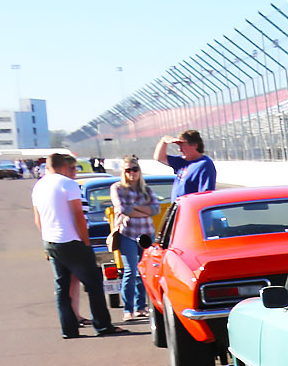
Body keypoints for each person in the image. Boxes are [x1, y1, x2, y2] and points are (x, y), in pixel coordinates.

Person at [30, 152, 119, 339]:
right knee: (93, 284)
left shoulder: (38, 186)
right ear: (63, 166)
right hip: (71, 241)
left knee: (62, 288)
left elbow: (38, 219)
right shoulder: (68, 184)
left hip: (51, 241)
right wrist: (86, 242)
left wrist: (46, 240)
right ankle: (102, 325)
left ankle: (69, 329)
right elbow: (78, 215)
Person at [109, 157, 157, 322]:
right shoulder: (117, 188)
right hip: (127, 233)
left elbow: (156, 209)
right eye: (128, 170)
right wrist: (144, 210)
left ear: (139, 170)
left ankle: (141, 307)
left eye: (134, 169)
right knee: (130, 271)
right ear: (123, 172)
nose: (132, 173)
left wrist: (134, 208)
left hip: (146, 234)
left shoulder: (146, 189)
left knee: (144, 272)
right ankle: (128, 309)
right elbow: (122, 209)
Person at [154, 129, 217, 197]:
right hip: (179, 205)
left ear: (194, 145)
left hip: (191, 206)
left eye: (182, 145)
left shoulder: (204, 164)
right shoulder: (182, 161)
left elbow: (206, 193)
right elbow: (159, 157)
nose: (180, 149)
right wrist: (164, 141)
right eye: (179, 146)